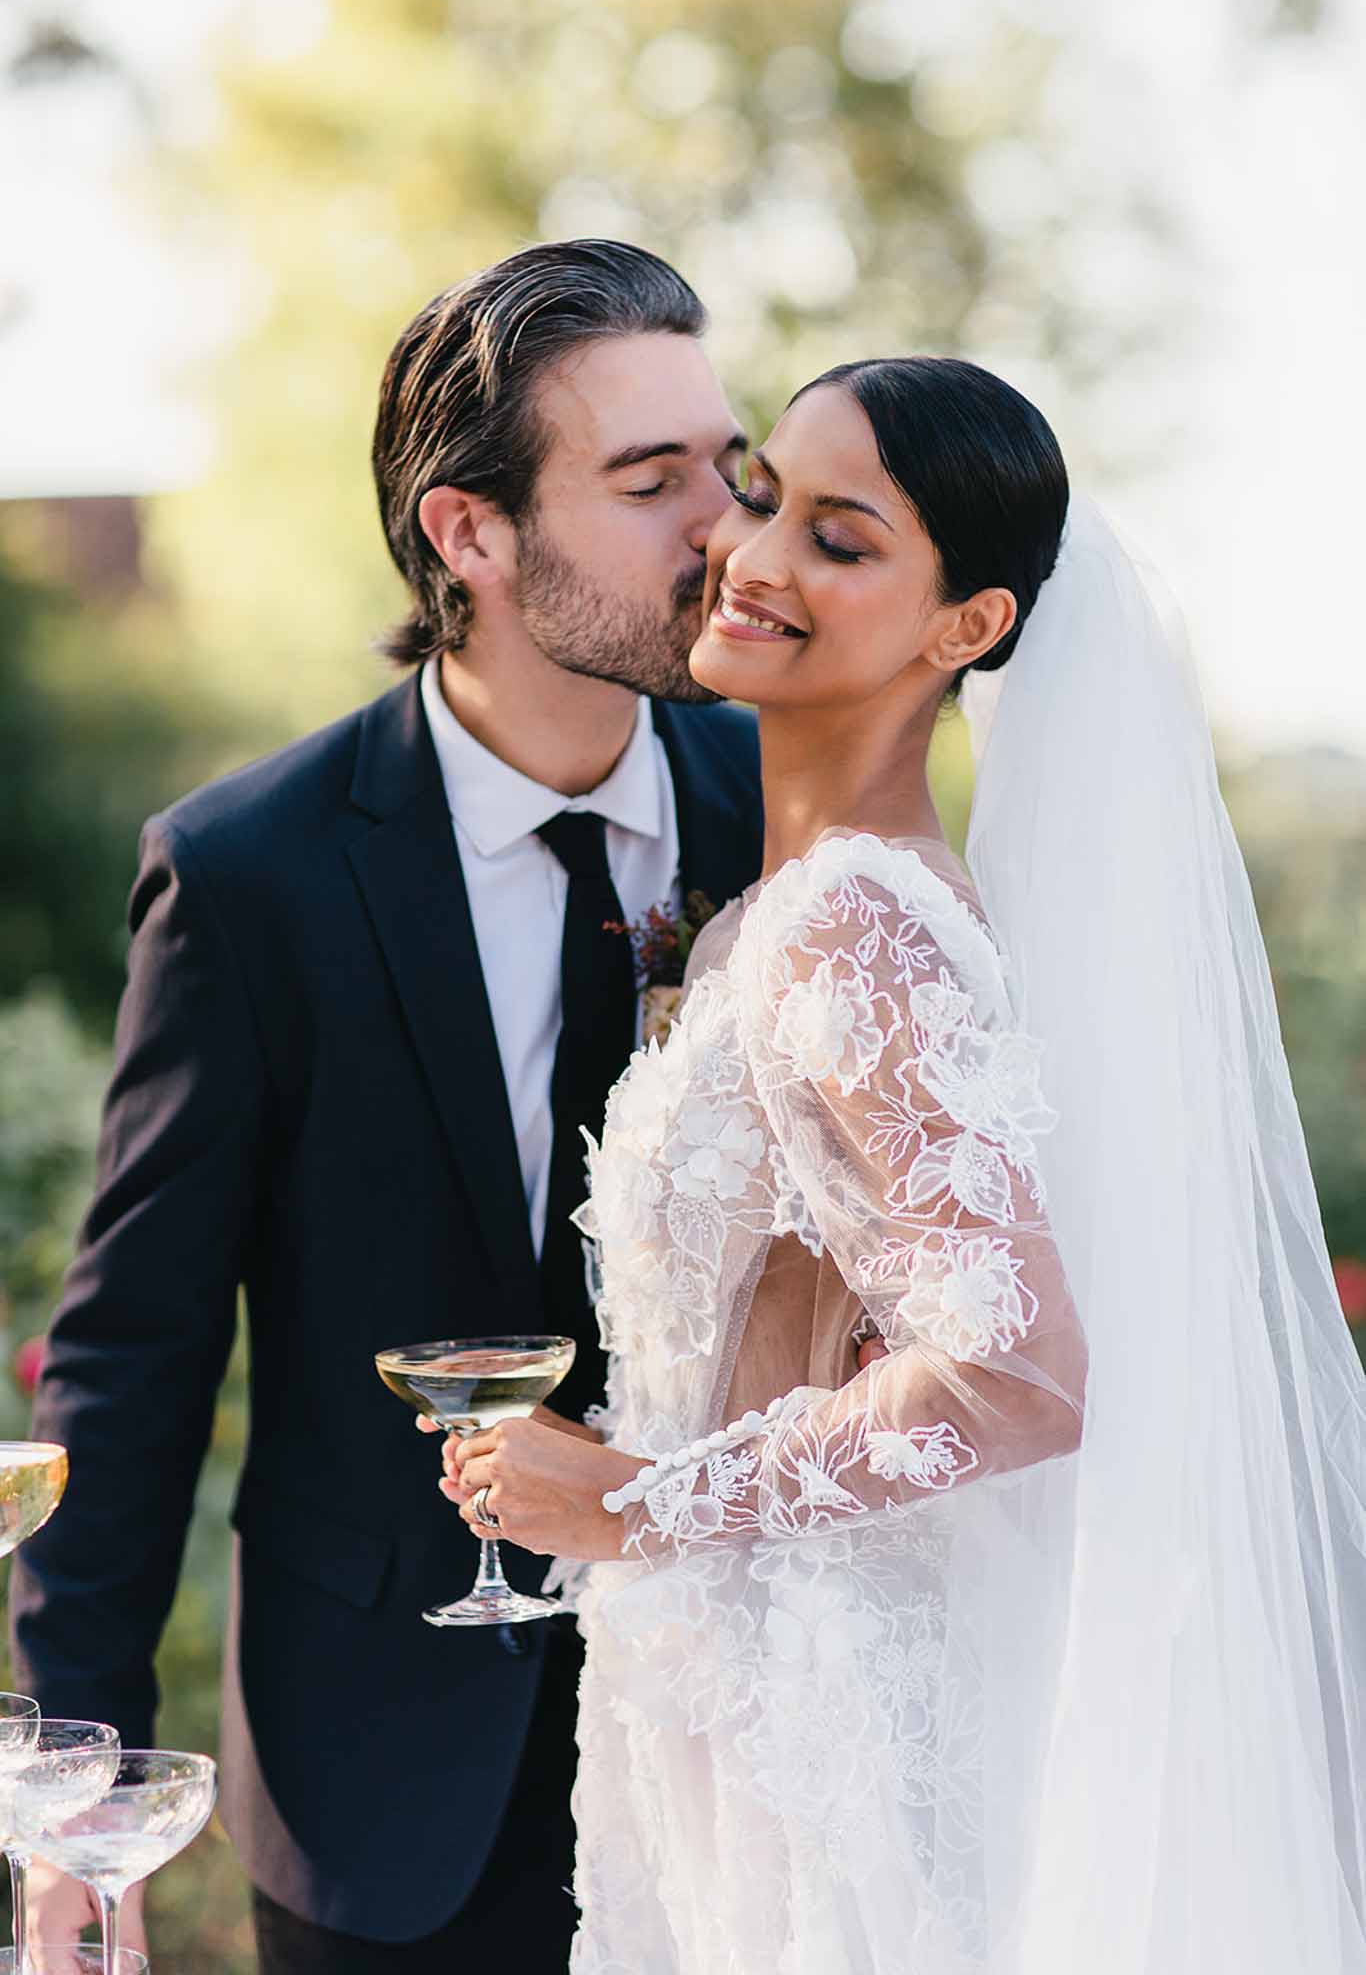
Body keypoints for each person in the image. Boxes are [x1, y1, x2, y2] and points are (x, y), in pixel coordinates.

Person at [441, 357, 1366, 1972]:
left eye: (842, 538)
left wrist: (640, 1500)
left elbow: (1015, 1376)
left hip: (826, 1718)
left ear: (968, 629)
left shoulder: (852, 929)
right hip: (725, 1676)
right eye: (762, 494)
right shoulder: (773, 914)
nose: (756, 554)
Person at [9, 239, 764, 1971]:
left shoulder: (783, 810)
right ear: (469, 535)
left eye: (726, 467)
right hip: (381, 1770)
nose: (720, 526)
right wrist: (78, 1811)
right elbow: (134, 1354)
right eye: (648, 483)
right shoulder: (249, 874)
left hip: (734, 1735)